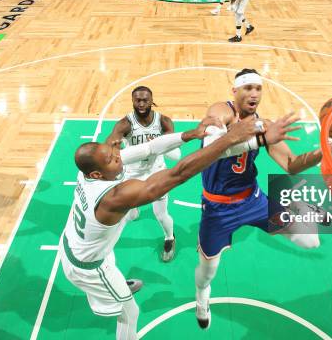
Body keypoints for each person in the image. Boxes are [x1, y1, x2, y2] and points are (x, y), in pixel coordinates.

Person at [61, 114, 297, 340]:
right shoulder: (114, 197)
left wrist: (191, 134)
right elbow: (179, 173)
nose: (118, 154)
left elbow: (150, 148)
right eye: (112, 158)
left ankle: (117, 287)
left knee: (108, 258)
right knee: (129, 313)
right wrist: (232, 139)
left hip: (72, 243)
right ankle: (116, 296)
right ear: (96, 173)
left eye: (113, 151)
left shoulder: (89, 175)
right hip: (89, 267)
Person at [193, 69, 332, 329]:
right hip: (217, 208)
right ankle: (202, 297)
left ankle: (300, 207)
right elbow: (213, 143)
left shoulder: (264, 125)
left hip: (252, 201)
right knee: (207, 273)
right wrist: (251, 136)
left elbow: (291, 164)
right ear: (235, 91)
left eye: (258, 88)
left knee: (310, 241)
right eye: (248, 88)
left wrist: (325, 150)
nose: (254, 94)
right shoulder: (223, 111)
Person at [106, 86, 178, 262]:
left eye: (145, 100)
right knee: (129, 214)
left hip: (157, 172)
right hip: (132, 173)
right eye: (137, 100)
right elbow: (109, 145)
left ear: (151, 100)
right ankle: (134, 209)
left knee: (161, 214)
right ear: (132, 101)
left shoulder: (164, 122)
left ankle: (170, 238)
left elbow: (175, 154)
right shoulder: (125, 124)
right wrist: (113, 147)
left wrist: (161, 144)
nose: (141, 104)